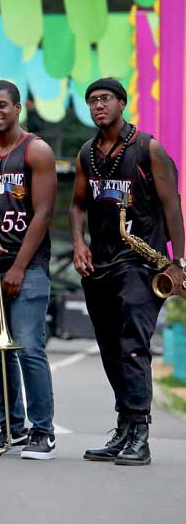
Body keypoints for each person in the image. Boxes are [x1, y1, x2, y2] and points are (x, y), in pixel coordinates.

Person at [71, 78, 184, 466]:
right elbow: (77, 206)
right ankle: (123, 429)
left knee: (132, 346)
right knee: (109, 349)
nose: (98, 106)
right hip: (100, 263)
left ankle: (140, 434)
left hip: (141, 261)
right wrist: (79, 243)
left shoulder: (148, 148)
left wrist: (178, 262)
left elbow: (172, 206)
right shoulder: (88, 151)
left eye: (105, 99)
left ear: (122, 102)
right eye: (91, 101)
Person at [0, 80, 58, 459]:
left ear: (18, 108)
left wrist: (18, 267)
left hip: (28, 267)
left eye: (1, 105)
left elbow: (44, 212)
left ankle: (43, 432)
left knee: (28, 348)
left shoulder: (36, 151)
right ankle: (10, 428)